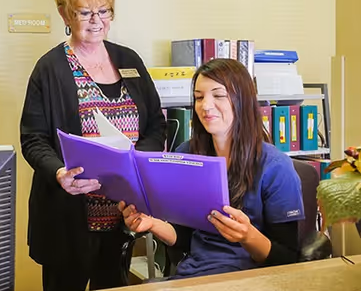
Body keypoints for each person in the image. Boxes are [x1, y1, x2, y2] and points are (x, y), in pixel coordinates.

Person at [20, 0, 166, 291]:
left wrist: (135, 159)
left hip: (121, 215)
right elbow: (33, 138)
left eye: (104, 11)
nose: (96, 20)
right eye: (84, 12)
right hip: (68, 218)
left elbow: (157, 122)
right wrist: (59, 173)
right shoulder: (50, 69)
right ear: (64, 14)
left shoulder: (129, 60)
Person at [119, 58, 304, 278]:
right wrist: (152, 224)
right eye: (198, 97)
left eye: (218, 95)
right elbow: (185, 238)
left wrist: (248, 236)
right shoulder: (186, 154)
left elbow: (288, 259)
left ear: (242, 100)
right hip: (194, 275)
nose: (205, 105)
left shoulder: (275, 167)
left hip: (251, 281)